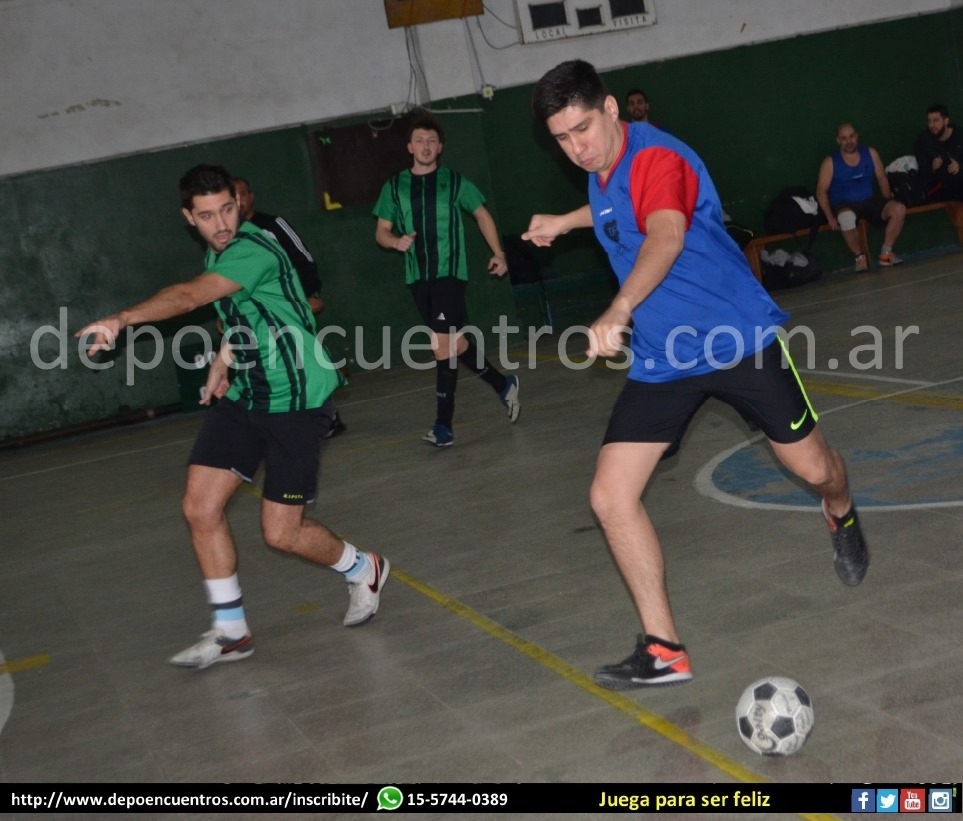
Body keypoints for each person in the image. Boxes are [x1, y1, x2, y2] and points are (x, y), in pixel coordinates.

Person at [523, 60, 868, 690]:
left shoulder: (659, 158)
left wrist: (618, 308)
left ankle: (841, 510)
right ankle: (665, 650)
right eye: (561, 139)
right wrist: (564, 221)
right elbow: (612, 207)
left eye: (582, 129)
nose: (576, 148)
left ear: (611, 110)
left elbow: (665, 234)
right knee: (609, 496)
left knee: (815, 470)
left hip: (737, 339)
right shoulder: (603, 167)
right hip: (664, 358)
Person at [75, 164, 389, 669]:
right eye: (207, 215)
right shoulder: (216, 252)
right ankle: (231, 632)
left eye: (227, 209)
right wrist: (224, 359)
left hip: (296, 397)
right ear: (189, 218)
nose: (221, 223)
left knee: (281, 533)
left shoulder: (253, 247)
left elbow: (191, 297)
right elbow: (241, 312)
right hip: (248, 392)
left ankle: (363, 567)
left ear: (239, 204)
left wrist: (123, 317)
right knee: (200, 508)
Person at [373, 114, 520, 447]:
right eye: (420, 141)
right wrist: (395, 242)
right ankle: (503, 385)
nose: (426, 146)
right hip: (417, 277)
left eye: (432, 141)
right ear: (410, 147)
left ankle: (443, 425)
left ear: (439, 147)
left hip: (449, 275)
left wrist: (499, 253)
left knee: (440, 345)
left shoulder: (454, 182)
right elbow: (381, 232)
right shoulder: (394, 187)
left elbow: (481, 214)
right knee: (456, 344)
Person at [234, 176, 347, 439]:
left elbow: (304, 258)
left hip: (290, 305)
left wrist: (311, 293)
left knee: (306, 359)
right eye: (232, 196)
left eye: (242, 194)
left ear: (251, 196)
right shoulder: (229, 238)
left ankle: (329, 417)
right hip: (257, 315)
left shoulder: (273, 225)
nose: (238, 200)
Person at [815, 123, 906, 272]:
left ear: (856, 137)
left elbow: (882, 178)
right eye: (844, 138)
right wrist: (830, 217)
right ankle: (859, 258)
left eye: (851, 136)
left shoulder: (870, 153)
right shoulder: (830, 162)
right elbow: (821, 191)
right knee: (845, 218)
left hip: (869, 201)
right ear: (838, 140)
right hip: (845, 204)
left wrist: (887, 201)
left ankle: (886, 254)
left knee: (899, 209)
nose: (849, 141)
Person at [914, 104, 963, 202]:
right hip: (939, 190)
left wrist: (959, 165)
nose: (932, 125)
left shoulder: (960, 135)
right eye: (929, 121)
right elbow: (922, 172)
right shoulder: (924, 141)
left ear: (946, 121)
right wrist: (932, 167)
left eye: (936, 120)